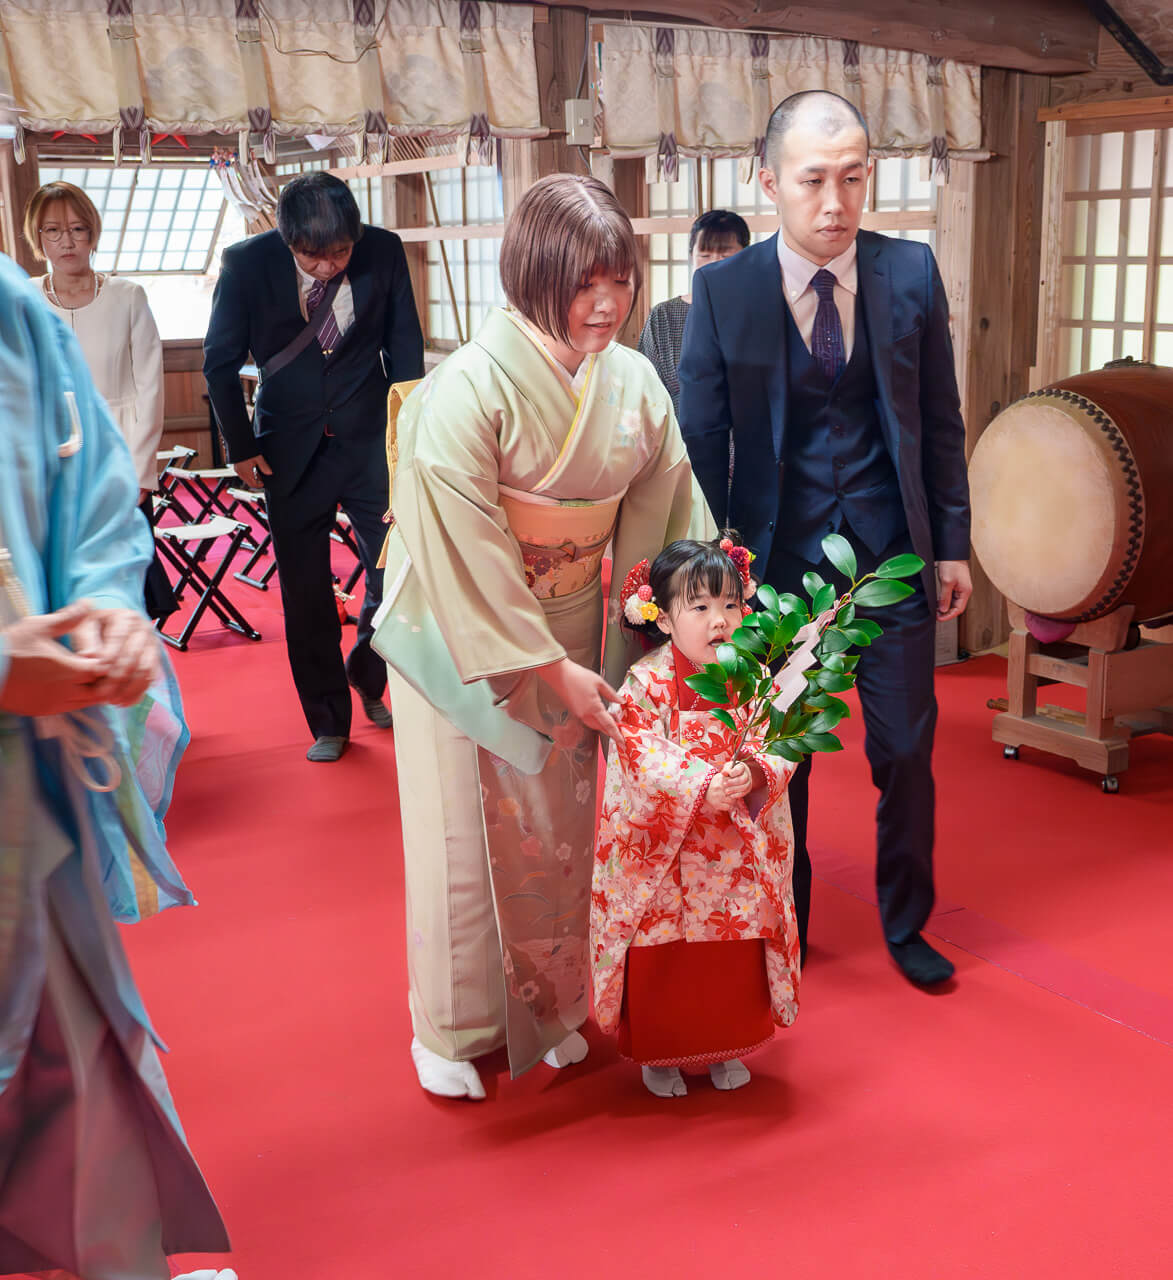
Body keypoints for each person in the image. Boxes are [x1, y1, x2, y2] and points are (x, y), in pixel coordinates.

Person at [373, 173, 714, 1103]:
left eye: (620, 281)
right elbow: (463, 546)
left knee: (560, 827)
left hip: (572, 626)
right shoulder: (467, 390)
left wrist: (672, 624)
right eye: (581, 283)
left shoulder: (634, 381)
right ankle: (452, 1024)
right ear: (531, 276)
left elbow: (666, 509)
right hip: (458, 629)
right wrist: (544, 663)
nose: (605, 304)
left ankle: (550, 1006)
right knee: (457, 832)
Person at [677, 90, 973, 987]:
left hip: (892, 552)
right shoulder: (723, 290)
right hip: (778, 563)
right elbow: (701, 433)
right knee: (781, 757)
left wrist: (952, 541)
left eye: (853, 178)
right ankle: (785, 918)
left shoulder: (910, 273)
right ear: (770, 181)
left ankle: (907, 921)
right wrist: (711, 572)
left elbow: (940, 419)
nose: (836, 202)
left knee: (906, 750)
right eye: (813, 181)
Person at [0, 254, 233, 1280]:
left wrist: (111, 610)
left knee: (79, 1035)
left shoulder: (15, 310)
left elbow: (94, 500)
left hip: (34, 758)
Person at [203, 171, 424, 762]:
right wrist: (242, 447)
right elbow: (219, 363)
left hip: (371, 442)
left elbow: (404, 350)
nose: (328, 267)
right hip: (285, 451)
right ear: (287, 240)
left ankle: (368, 668)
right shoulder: (246, 265)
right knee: (304, 593)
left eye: (340, 253)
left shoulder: (383, 250)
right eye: (312, 257)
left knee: (399, 577)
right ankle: (329, 720)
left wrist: (413, 438)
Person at [592, 536, 799, 1098]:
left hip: (736, 845)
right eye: (700, 607)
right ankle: (660, 1057)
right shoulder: (647, 681)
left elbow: (782, 739)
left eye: (730, 605)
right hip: (669, 852)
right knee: (667, 951)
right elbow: (639, 754)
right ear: (661, 617)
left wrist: (756, 772)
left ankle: (727, 1046)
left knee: (734, 945)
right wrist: (703, 784)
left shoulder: (752, 674)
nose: (720, 621)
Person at [27, 179, 176, 623]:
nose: (66, 241)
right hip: (48, 459)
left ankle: (132, 688)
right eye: (52, 231)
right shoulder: (26, 299)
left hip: (117, 456)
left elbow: (149, 387)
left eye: (77, 229)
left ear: (92, 233)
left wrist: (139, 471)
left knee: (124, 590)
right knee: (57, 593)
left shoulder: (127, 296)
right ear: (39, 238)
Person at [637, 209, 750, 415]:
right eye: (705, 255)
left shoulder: (760, 312)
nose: (715, 265)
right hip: (680, 441)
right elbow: (645, 391)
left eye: (725, 255)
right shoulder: (663, 316)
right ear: (691, 256)